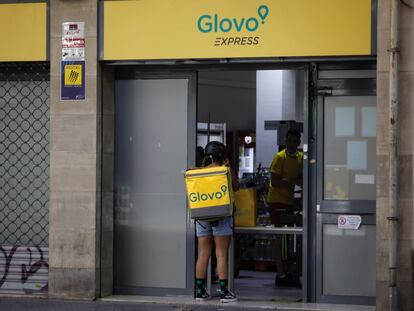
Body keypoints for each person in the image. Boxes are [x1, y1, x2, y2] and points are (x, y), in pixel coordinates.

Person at [195, 141, 239, 303]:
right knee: (221, 253)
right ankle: (224, 293)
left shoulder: (199, 173)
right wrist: (229, 168)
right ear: (223, 155)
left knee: (203, 253)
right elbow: (236, 187)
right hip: (222, 216)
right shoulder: (225, 170)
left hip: (202, 217)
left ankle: (200, 292)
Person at [267, 129, 303, 287]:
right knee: (279, 236)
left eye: (295, 141)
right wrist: (291, 181)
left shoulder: (301, 158)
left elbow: (302, 177)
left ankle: (288, 271)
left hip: (289, 201)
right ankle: (280, 272)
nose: (292, 144)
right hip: (276, 201)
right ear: (285, 142)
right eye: (289, 141)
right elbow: (274, 181)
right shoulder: (279, 157)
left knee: (288, 237)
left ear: (299, 143)